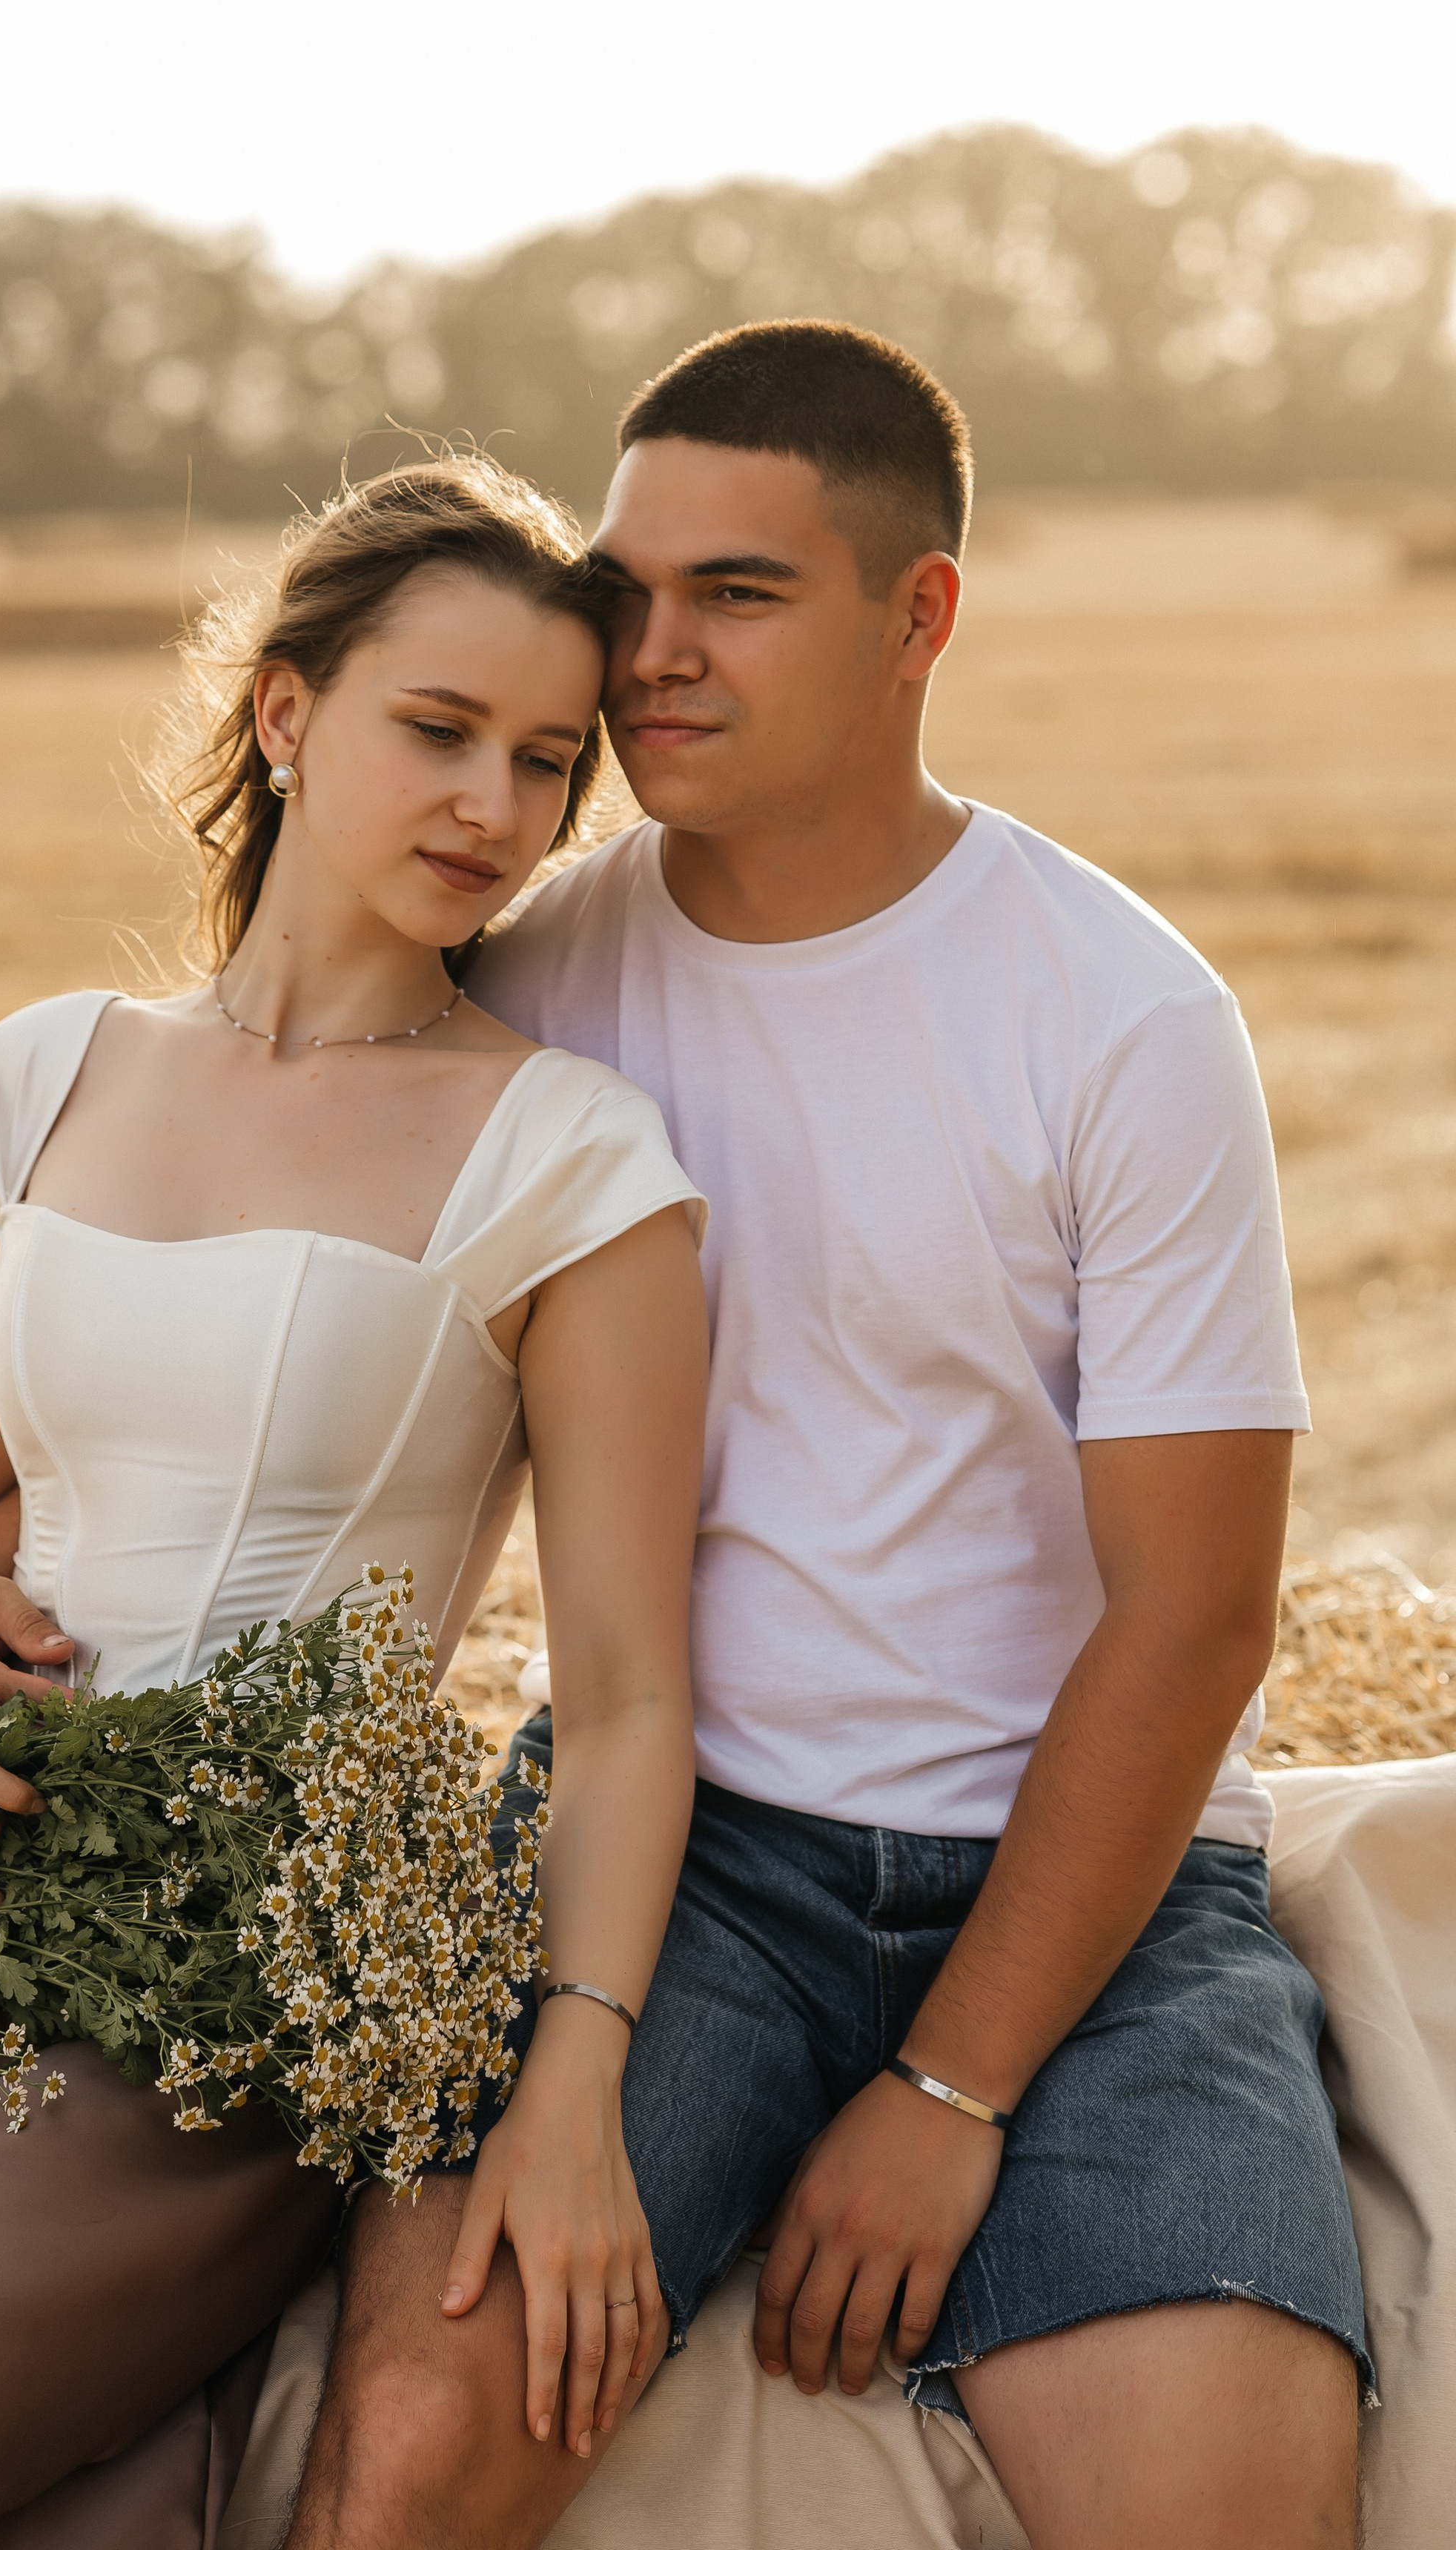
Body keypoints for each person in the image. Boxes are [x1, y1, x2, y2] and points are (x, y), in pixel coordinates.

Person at [256, 323, 1370, 2550]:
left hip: (1106, 1898)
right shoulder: (536, 972)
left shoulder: (1121, 1017)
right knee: (407, 2467)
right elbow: (243, 1289)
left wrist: (954, 2082)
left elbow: (1197, 1612)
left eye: (738, 597)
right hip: (669, 1864)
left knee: (1230, 2519)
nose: (645, 660)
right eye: (631, 588)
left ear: (919, 615)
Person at [0, 461, 710, 2550]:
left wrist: (576, 2076)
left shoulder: (565, 1156)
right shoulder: (46, 1073)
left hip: (240, 1971)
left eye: (551, 763)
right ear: (287, 716)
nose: (496, 807)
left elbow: (629, 1694)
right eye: (435, 730)